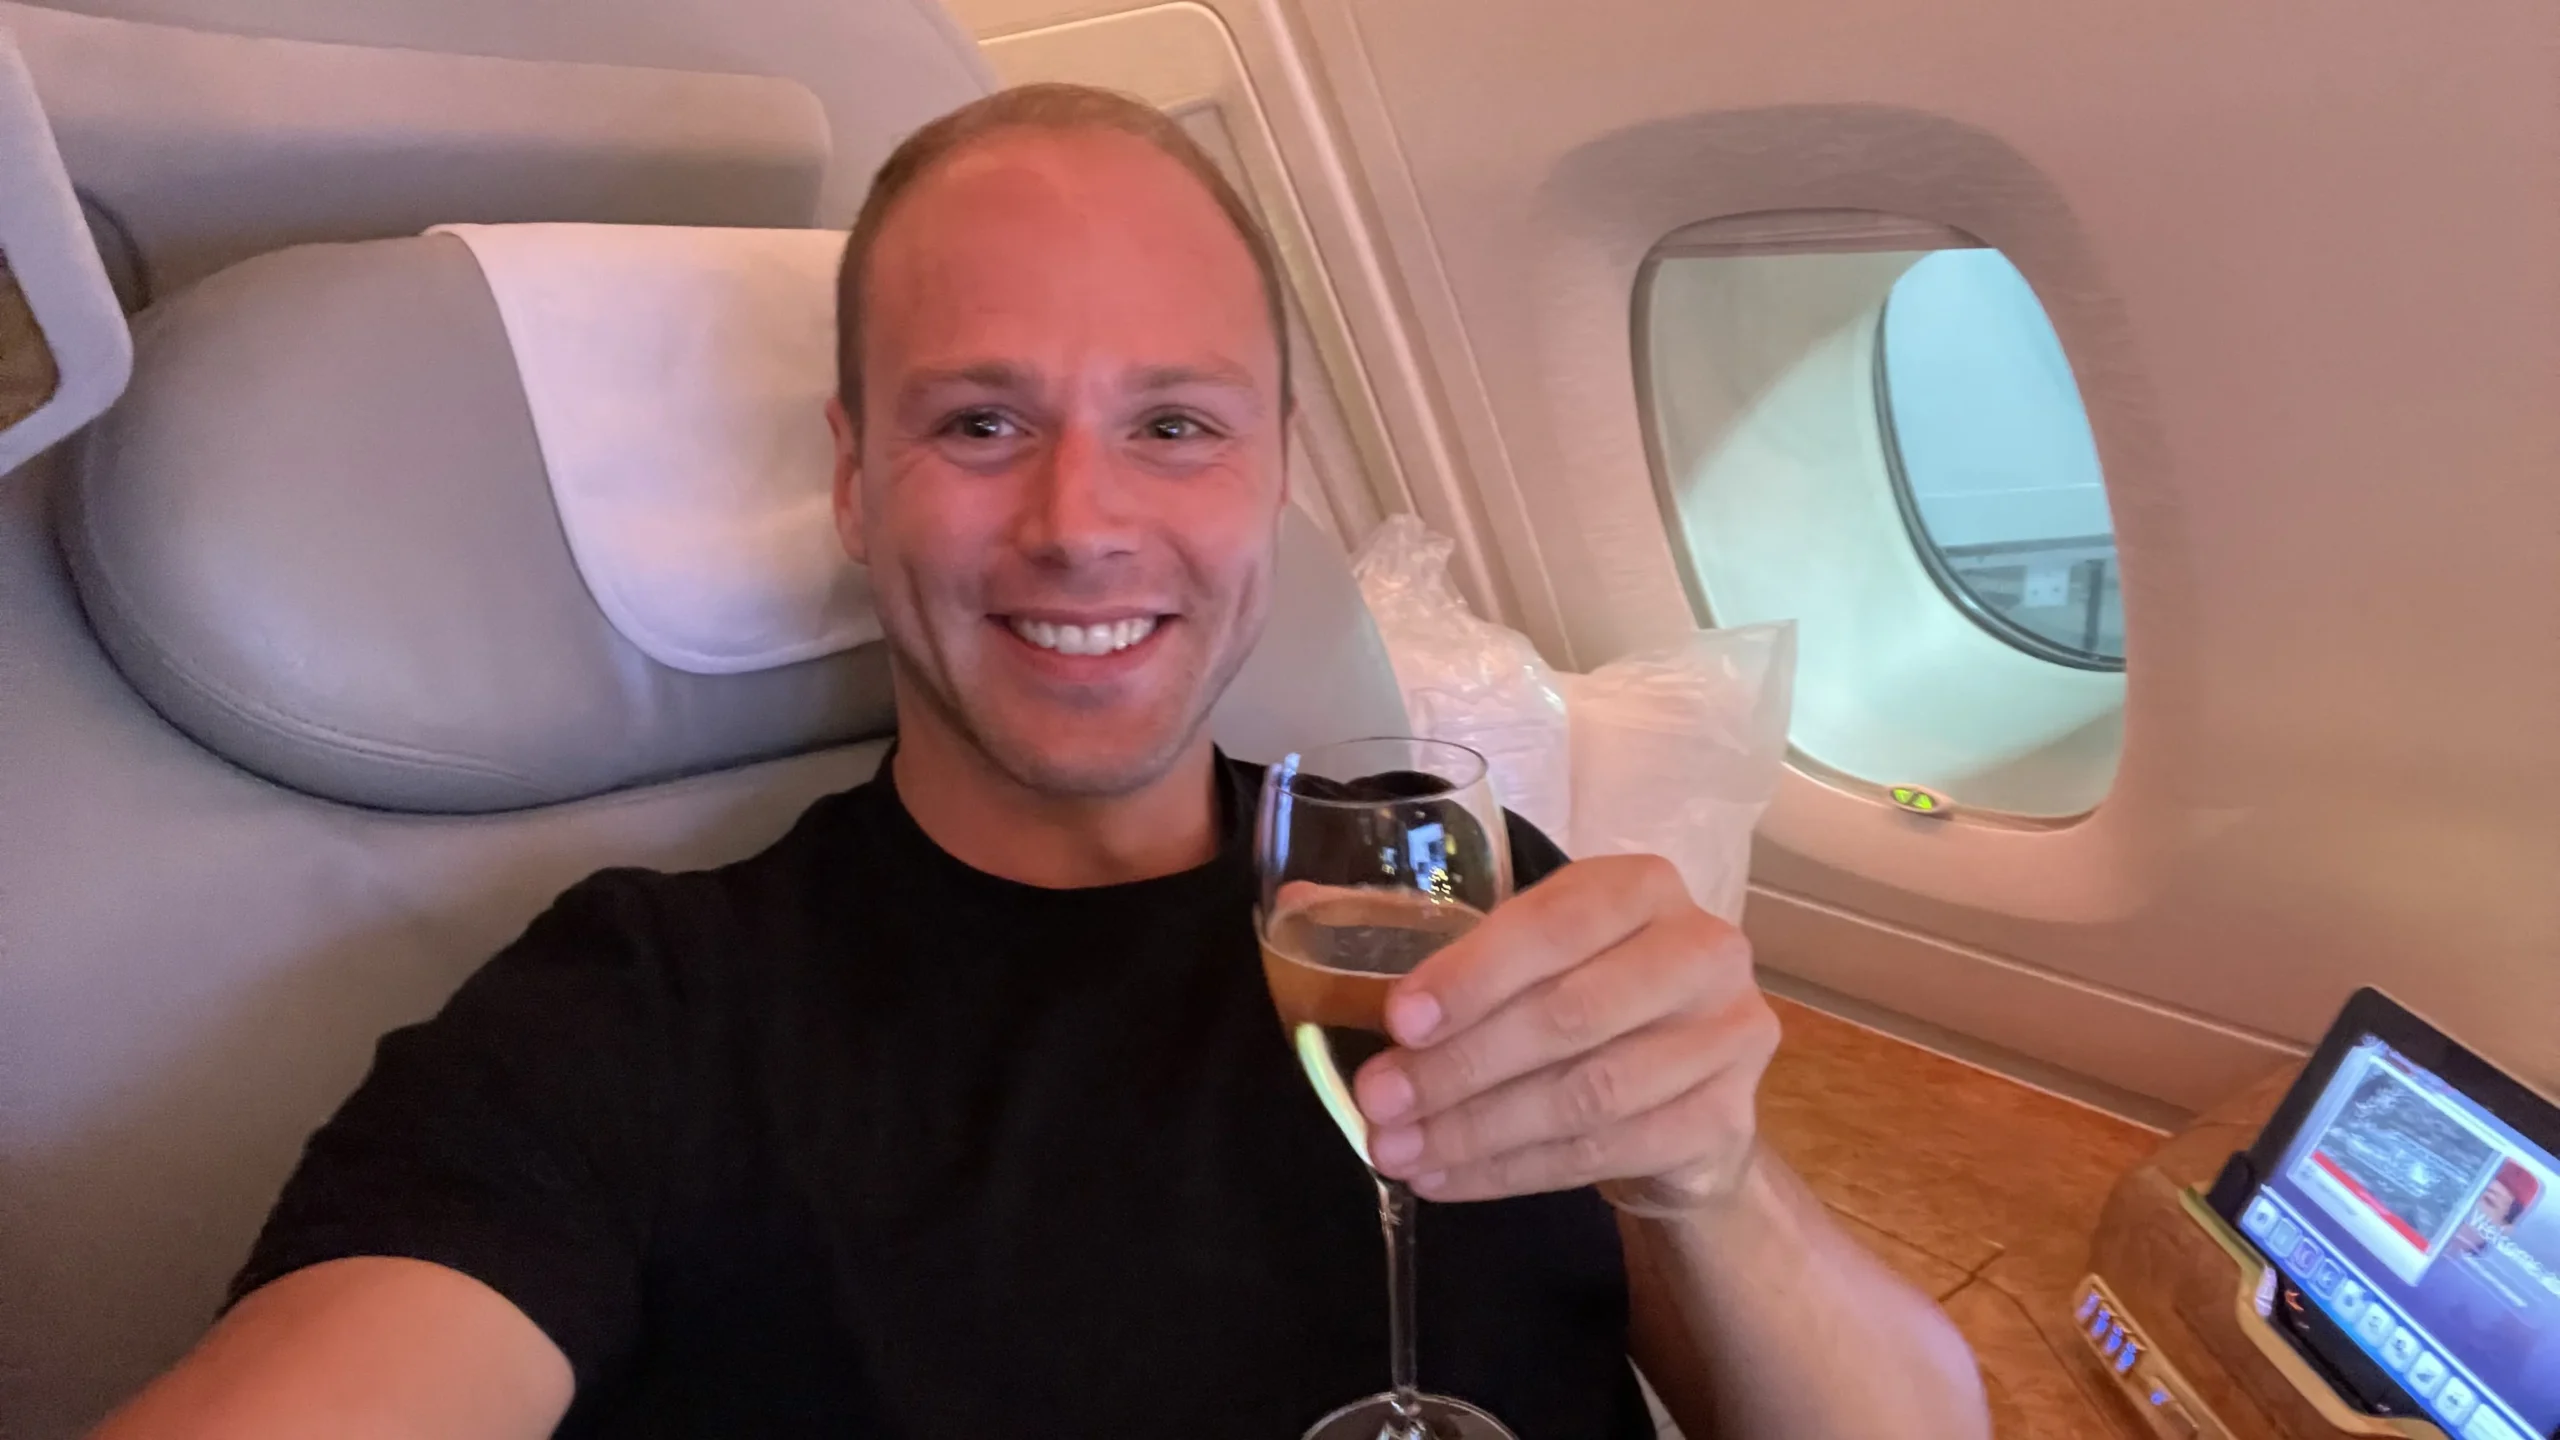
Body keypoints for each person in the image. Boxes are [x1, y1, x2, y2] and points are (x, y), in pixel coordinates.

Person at [92, 84, 1988, 1440]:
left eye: (1175, 422)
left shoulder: (1458, 899)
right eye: (983, 420)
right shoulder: (641, 1020)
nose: (1085, 522)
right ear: (852, 478)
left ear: (1273, 477)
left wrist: (1714, 1189)